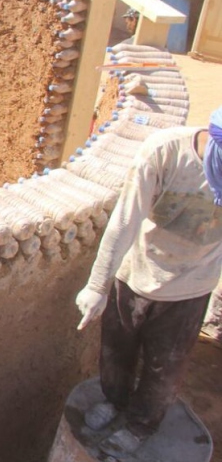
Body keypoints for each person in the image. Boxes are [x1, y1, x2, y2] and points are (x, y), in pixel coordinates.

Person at [75, 107, 222, 457]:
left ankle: (141, 425)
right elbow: (125, 221)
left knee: (165, 367)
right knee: (117, 350)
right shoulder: (165, 153)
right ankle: (113, 402)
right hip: (138, 273)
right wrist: (97, 286)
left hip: (192, 288)